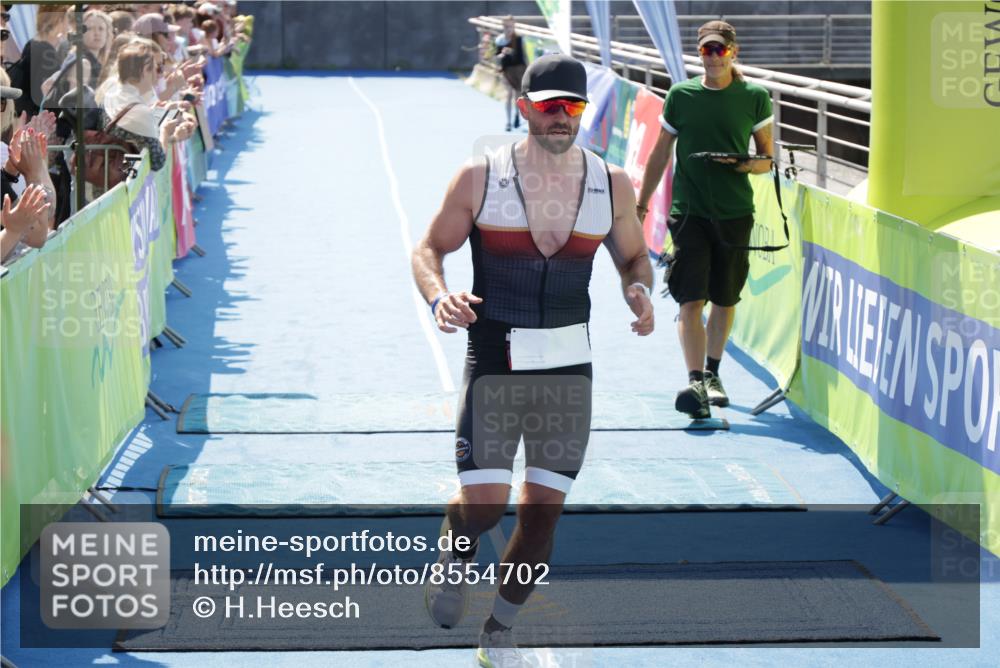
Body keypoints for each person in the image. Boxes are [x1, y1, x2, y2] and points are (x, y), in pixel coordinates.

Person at [412, 54, 654, 666]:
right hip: (495, 358)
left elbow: (633, 258)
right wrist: (441, 297)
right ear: (523, 107)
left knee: (542, 518)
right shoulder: (479, 175)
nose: (560, 118)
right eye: (548, 106)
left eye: (571, 107)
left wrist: (639, 289)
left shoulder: (613, 183)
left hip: (569, 369)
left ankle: (499, 632)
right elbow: (428, 249)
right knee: (486, 505)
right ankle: (455, 545)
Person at [637, 20, 774, 419]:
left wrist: (743, 164)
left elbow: (766, 160)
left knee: (724, 299)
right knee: (690, 299)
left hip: (735, 213)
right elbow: (660, 153)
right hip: (689, 213)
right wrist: (641, 205)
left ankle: (714, 373)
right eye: (706, 51)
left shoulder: (755, 97)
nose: (713, 57)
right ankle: (695, 381)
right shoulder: (681, 95)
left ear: (734, 51)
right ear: (699, 54)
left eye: (720, 50)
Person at [494, 16, 525, 132]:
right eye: (507, 26)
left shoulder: (519, 39)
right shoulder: (499, 40)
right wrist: (501, 54)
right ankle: (508, 121)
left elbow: (522, 57)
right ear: (503, 27)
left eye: (511, 26)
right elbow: (496, 56)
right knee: (508, 94)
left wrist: (512, 52)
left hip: (518, 70)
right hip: (506, 70)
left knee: (517, 95)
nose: (509, 29)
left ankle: (517, 115)